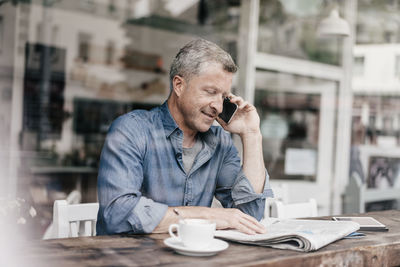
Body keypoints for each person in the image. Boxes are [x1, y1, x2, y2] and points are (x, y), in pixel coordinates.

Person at [96, 39, 273, 235]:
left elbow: (250, 215)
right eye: (210, 92)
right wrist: (208, 216)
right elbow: (118, 214)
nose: (219, 107)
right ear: (179, 85)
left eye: (223, 97)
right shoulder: (131, 130)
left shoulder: (220, 142)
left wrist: (251, 134)